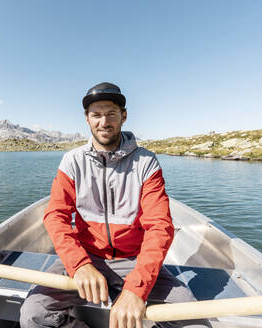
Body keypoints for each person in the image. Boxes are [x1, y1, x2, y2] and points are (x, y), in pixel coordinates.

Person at [20, 82, 209, 328]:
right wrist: (80, 265)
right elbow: (56, 216)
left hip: (136, 260)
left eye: (111, 113)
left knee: (194, 323)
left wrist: (136, 288)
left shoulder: (146, 163)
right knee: (33, 316)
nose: (104, 121)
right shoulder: (72, 161)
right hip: (87, 256)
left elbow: (159, 227)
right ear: (87, 119)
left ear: (124, 116)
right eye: (96, 115)